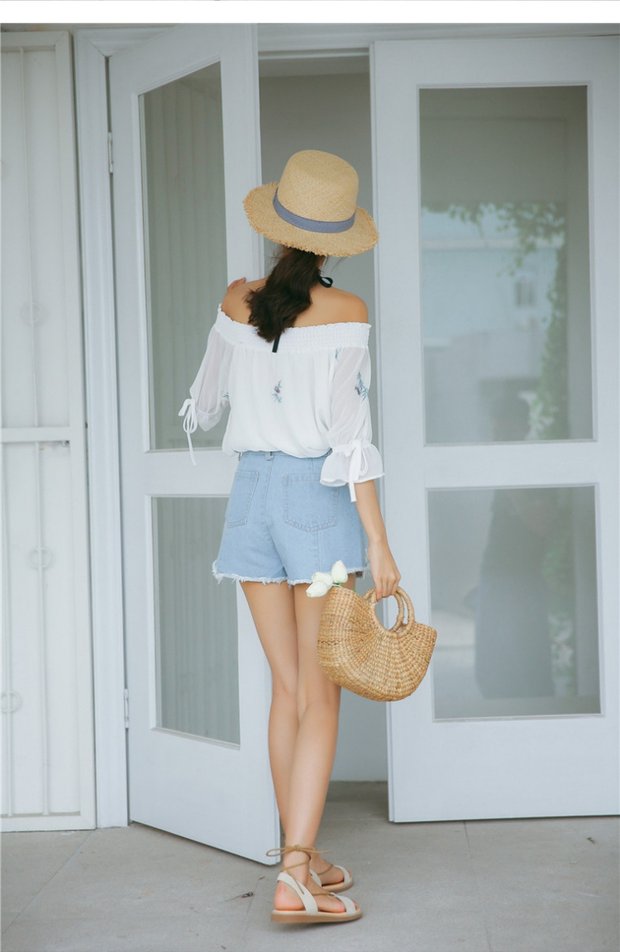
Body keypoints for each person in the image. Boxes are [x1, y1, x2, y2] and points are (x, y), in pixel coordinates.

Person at [178, 149, 401, 925]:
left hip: (251, 501)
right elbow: (350, 442)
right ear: (338, 243)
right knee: (322, 693)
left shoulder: (236, 299)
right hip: (315, 503)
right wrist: (377, 541)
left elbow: (205, 404)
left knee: (286, 690)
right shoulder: (347, 312)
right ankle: (296, 876)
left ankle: (300, 854)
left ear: (276, 229)